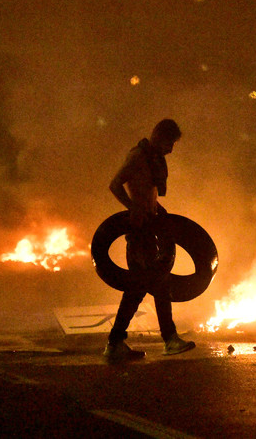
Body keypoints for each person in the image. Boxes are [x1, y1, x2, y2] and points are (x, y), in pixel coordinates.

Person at [104, 118, 196, 363]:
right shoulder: (138, 157)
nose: (171, 149)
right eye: (169, 143)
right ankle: (169, 339)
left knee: (138, 289)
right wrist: (132, 207)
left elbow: (148, 193)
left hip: (148, 228)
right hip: (140, 232)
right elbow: (115, 184)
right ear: (158, 136)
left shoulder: (152, 159)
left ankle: (115, 343)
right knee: (157, 284)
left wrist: (156, 210)